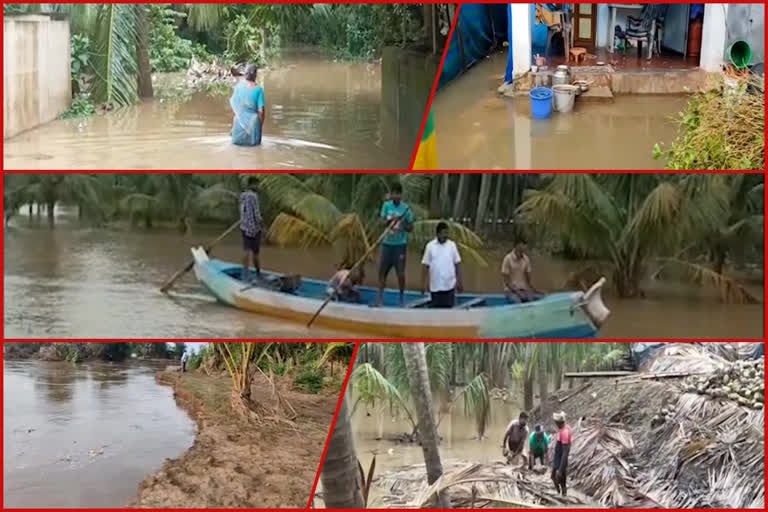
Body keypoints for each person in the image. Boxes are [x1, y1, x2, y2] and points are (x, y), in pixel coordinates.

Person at [377, 183, 414, 307]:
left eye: (398, 193)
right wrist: (390, 220)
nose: (396, 196)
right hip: (387, 244)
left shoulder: (406, 209)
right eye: (394, 193)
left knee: (401, 274)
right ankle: (380, 299)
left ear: (401, 195)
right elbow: (381, 222)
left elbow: (411, 228)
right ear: (391, 194)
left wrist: (403, 223)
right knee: (382, 272)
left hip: (400, 246)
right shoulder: (386, 206)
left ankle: (401, 299)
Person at [421, 222, 462, 308]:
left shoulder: (452, 245)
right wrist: (423, 283)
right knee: (436, 310)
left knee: (449, 310)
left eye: (447, 233)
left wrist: (459, 281)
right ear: (438, 234)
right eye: (443, 233)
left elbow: (457, 263)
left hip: (449, 286)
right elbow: (425, 265)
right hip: (435, 286)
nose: (445, 235)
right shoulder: (430, 246)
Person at [230, 63, 265, 146]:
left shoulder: (238, 87)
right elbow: (261, 112)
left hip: (238, 123)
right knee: (254, 148)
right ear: (255, 75)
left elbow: (235, 109)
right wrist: (259, 126)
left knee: (236, 145)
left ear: (246, 74)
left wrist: (234, 126)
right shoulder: (258, 90)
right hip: (253, 125)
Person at [501, 239, 543, 303]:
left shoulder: (526, 259)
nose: (524, 248)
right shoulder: (507, 259)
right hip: (510, 291)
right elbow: (506, 280)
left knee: (531, 301)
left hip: (524, 289)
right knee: (518, 302)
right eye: (522, 246)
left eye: (525, 246)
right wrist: (517, 292)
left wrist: (536, 290)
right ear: (517, 246)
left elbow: (528, 279)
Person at [240, 176, 263, 283]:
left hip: (244, 227)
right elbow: (257, 215)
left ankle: (245, 273)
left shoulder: (243, 195)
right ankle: (258, 274)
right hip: (253, 229)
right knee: (255, 253)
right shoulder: (254, 196)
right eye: (257, 184)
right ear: (252, 185)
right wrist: (262, 227)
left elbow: (242, 210)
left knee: (246, 250)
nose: (258, 187)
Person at [551, 411, 572, 496]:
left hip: (561, 459)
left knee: (557, 477)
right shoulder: (564, 429)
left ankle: (561, 496)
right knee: (558, 478)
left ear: (558, 423)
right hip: (559, 458)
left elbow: (565, 452)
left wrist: (560, 469)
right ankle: (561, 494)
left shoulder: (565, 432)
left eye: (556, 422)